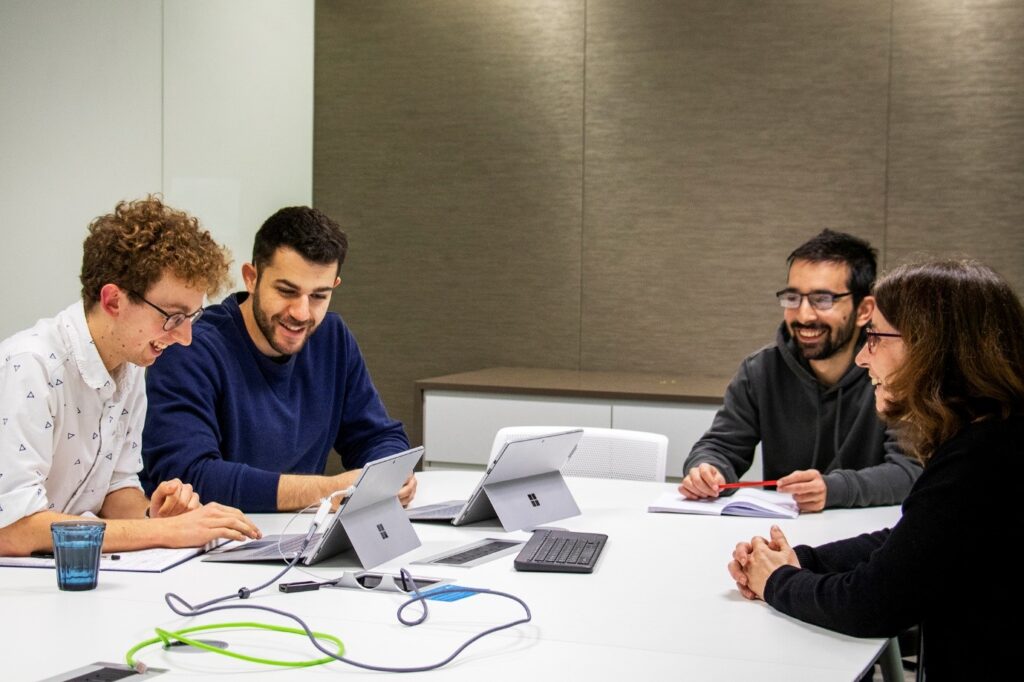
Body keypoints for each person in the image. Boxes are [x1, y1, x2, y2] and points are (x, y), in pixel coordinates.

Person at [728, 259, 1024, 679]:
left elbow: (873, 604)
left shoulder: (980, 460)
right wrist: (803, 561)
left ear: (932, 346)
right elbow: (914, 541)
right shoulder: (993, 437)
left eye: (875, 338)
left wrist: (777, 581)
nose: (864, 358)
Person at [0, 197, 261, 556]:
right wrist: (166, 533)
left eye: (192, 318)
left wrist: (152, 515)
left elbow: (115, 488)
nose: (185, 338)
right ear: (113, 301)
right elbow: (14, 530)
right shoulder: (30, 366)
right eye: (173, 316)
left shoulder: (131, 364)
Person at [142, 206, 415, 513]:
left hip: (300, 536)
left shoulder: (332, 338)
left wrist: (389, 475)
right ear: (251, 278)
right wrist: (330, 490)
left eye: (318, 296)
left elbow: (377, 436)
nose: (301, 313)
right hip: (208, 548)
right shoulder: (189, 348)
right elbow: (191, 477)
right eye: (287, 291)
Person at [680, 230, 921, 511]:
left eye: (823, 300)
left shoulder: (892, 373)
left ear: (864, 310)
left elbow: (910, 471)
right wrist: (707, 470)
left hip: (869, 535)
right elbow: (720, 446)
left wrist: (833, 489)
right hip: (779, 536)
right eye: (793, 298)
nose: (804, 315)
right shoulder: (761, 370)